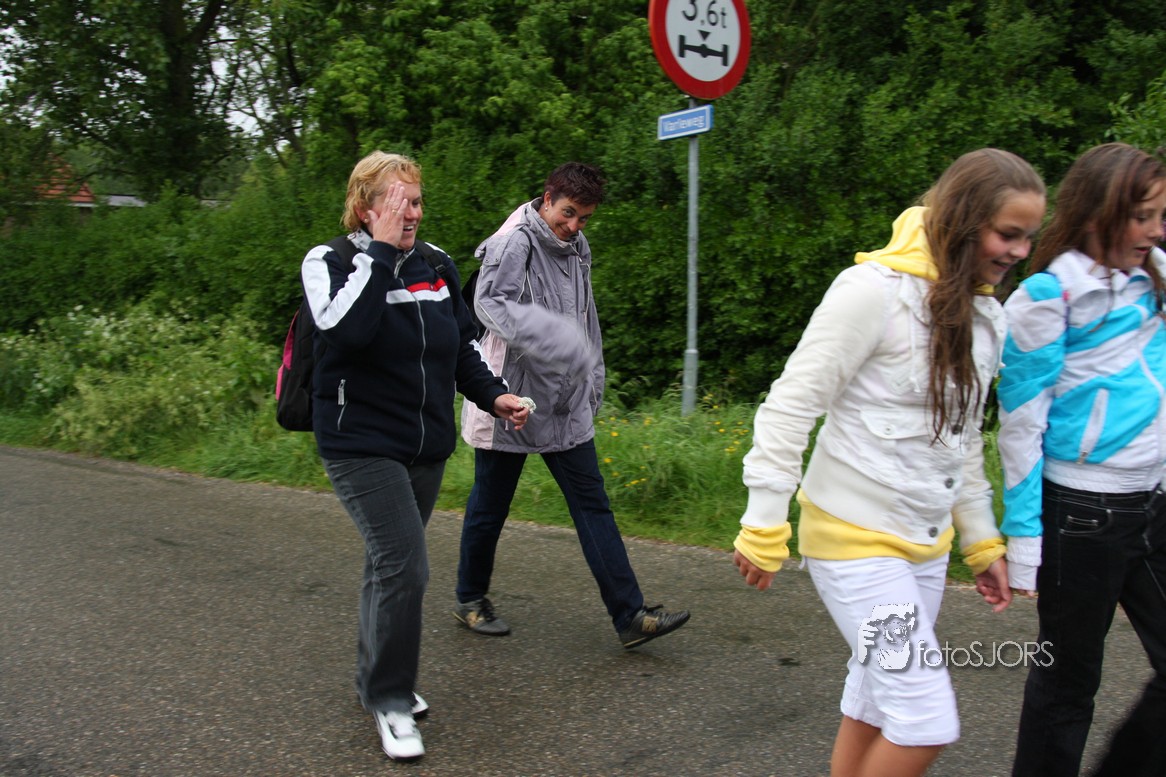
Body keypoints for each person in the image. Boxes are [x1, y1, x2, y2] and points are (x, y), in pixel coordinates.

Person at [732, 148, 1042, 777]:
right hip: (854, 541)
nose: (1019, 251)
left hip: (923, 547)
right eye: (1008, 234)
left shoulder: (986, 317)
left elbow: (961, 443)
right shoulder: (872, 292)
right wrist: (764, 521)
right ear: (964, 220)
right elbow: (791, 406)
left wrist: (982, 542)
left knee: (876, 700)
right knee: (926, 720)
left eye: (1028, 237)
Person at [300, 151, 530, 762]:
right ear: (365, 208)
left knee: (388, 564)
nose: (412, 214)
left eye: (417, 201)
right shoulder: (330, 261)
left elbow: (461, 348)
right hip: (358, 443)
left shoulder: (437, 264)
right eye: (398, 203)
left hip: (425, 443)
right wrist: (378, 254)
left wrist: (494, 395)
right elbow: (344, 332)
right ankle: (392, 699)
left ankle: (373, 678)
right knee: (405, 565)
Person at [455, 162, 690, 649]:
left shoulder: (578, 247)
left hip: (566, 402)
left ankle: (630, 616)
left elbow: (586, 318)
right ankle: (470, 599)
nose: (574, 226)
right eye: (567, 213)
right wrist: (553, 340)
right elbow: (488, 304)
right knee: (490, 507)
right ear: (547, 198)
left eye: (584, 217)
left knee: (592, 505)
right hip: (513, 401)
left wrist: (592, 377)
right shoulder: (514, 242)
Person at [998, 142, 1166, 777]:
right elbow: (1020, 428)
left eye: (1161, 217)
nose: (1155, 231)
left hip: (1154, 502)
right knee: (1067, 684)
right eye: (1143, 217)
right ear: (1099, 213)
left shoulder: (1156, 276)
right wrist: (1024, 540)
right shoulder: (1047, 298)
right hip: (1082, 513)